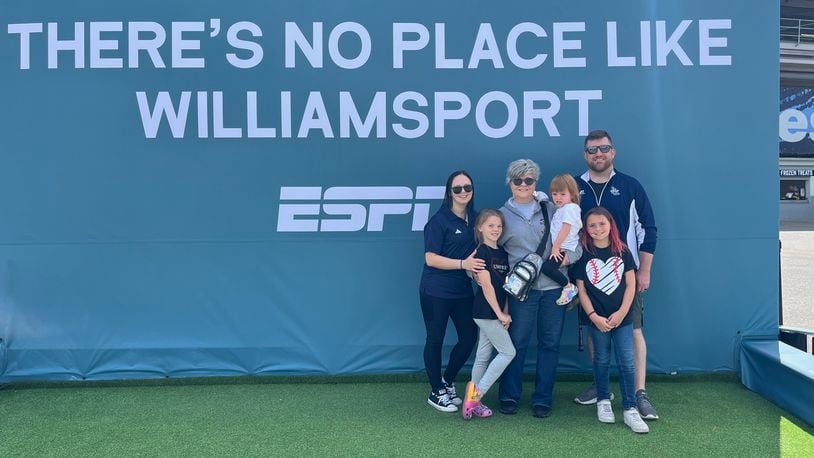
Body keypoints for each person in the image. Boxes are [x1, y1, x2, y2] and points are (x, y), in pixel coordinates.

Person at [573, 129, 659, 421]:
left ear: (613, 151)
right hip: (590, 277)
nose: (599, 154)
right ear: (585, 155)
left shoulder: (630, 186)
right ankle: (602, 390)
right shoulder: (575, 187)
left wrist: (643, 270)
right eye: (593, 150)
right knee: (596, 332)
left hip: (626, 277)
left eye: (604, 148)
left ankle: (638, 393)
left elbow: (648, 229)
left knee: (633, 330)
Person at [496, 159, 581, 419]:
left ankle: (542, 398)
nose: (523, 185)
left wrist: (569, 258)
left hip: (555, 287)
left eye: (529, 180)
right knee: (517, 343)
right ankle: (509, 395)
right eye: (518, 180)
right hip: (524, 290)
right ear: (510, 183)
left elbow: (575, 244)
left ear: (535, 183)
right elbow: (493, 253)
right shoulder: (501, 215)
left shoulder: (554, 208)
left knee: (550, 344)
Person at [574, 207, 649, 434]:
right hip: (598, 320)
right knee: (602, 360)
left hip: (622, 320)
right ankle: (603, 401)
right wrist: (594, 317)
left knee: (626, 362)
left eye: (602, 224)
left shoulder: (622, 251)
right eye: (592, 225)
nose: (598, 229)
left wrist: (622, 312)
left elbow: (631, 286)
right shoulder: (583, 253)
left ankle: (630, 408)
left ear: (611, 225)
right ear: (586, 229)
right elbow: (582, 291)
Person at [419, 170, 485, 412]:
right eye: (457, 189)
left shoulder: (477, 219)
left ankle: (446, 381)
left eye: (467, 187)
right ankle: (436, 390)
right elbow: (430, 258)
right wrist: (462, 264)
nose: (463, 192)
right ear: (449, 193)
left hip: (463, 290)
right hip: (435, 289)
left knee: (468, 338)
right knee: (435, 339)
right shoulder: (439, 221)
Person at [462, 209, 516, 420]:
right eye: (491, 225)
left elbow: (506, 287)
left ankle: (475, 404)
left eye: (499, 226)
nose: (495, 229)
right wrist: (499, 314)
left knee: (483, 356)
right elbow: (486, 286)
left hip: (495, 312)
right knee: (508, 352)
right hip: (485, 311)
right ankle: (477, 395)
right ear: (480, 228)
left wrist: (505, 312)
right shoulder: (481, 252)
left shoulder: (502, 252)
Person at [539, 174, 582, 306]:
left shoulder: (570, 208)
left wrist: (556, 247)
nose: (558, 198)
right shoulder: (561, 209)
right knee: (547, 267)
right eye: (555, 194)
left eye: (562, 194)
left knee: (547, 268)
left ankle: (569, 287)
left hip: (566, 248)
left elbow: (566, 228)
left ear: (572, 194)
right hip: (562, 247)